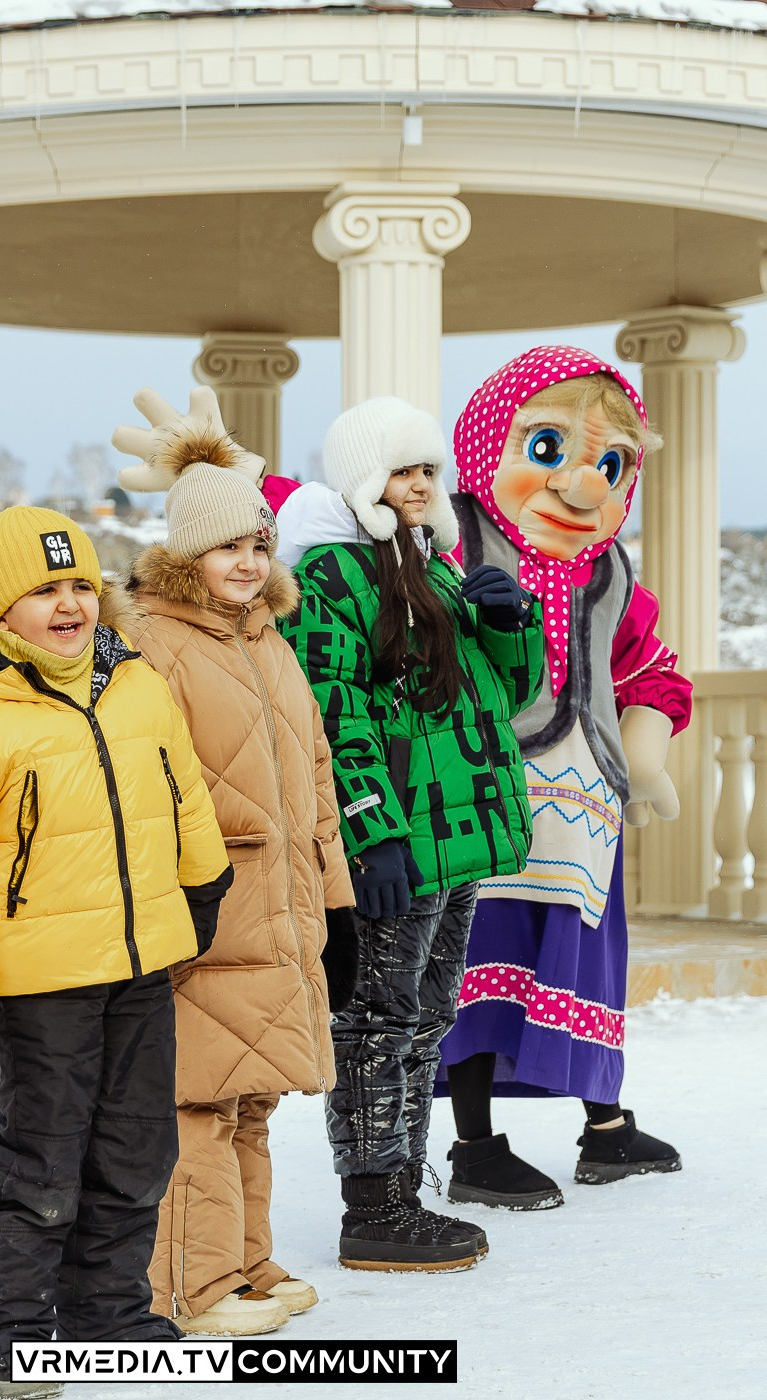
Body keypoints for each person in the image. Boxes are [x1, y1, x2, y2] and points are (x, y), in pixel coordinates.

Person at [0, 506, 231, 1399]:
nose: (68, 606)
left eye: (80, 585)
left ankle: (108, 1312)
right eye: (43, 590)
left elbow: (183, 791)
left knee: (137, 1146)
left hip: (139, 964)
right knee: (43, 1156)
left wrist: (202, 883)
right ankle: (5, 1331)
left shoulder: (136, 685)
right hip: (40, 980)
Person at [275, 396, 541, 1273]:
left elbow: (505, 697)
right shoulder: (331, 576)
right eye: (401, 469)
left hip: (460, 835)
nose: (422, 483)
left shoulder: (437, 566)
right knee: (374, 1021)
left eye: (429, 468)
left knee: (426, 1018)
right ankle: (375, 1202)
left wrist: (511, 625)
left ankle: (405, 1187)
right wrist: (369, 827)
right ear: (362, 479)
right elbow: (333, 708)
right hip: (400, 840)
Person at [438, 348, 693, 1208]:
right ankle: (474, 1144)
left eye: (612, 465)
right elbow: (325, 522)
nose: (585, 486)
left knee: (584, 964)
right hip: (479, 801)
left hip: (583, 814)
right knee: (479, 960)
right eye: (547, 450)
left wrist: (646, 750)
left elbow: (653, 670)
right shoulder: (449, 546)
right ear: (486, 445)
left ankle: (606, 1126)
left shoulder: (611, 576)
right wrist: (229, 475)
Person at [124, 438, 350, 1335]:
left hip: (282, 911)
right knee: (198, 1101)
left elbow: (316, 774)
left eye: (259, 545)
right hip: (211, 909)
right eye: (228, 548)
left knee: (253, 1096)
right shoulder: (156, 647)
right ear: (186, 556)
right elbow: (147, 783)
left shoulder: (271, 644)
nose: (249, 563)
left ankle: (246, 1261)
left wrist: (333, 893)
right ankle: (190, 1282)